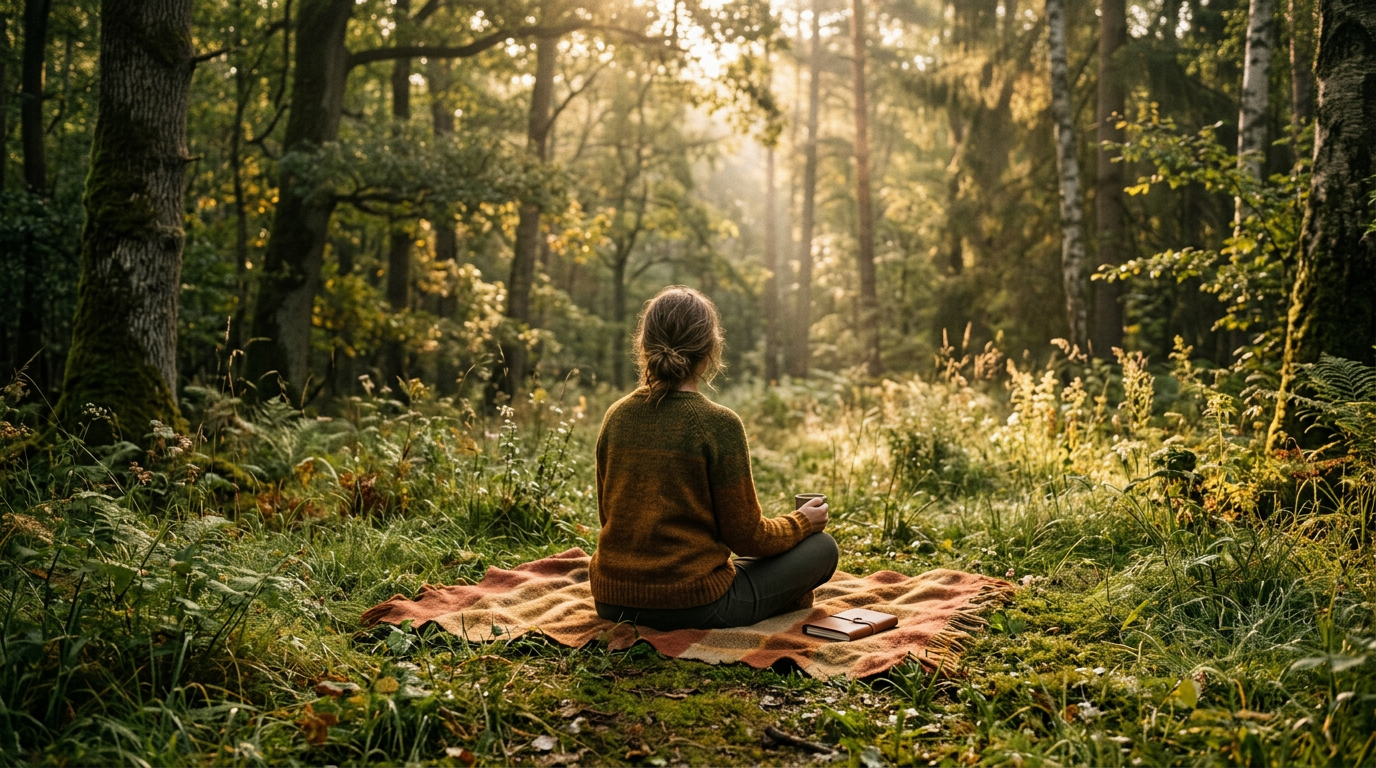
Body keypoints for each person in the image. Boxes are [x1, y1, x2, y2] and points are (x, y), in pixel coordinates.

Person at [590, 286, 839, 631]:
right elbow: (748, 538)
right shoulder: (719, 424)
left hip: (611, 600)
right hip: (695, 605)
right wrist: (802, 523)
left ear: (644, 345)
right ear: (709, 350)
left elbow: (608, 515)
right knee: (823, 548)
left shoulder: (616, 416)